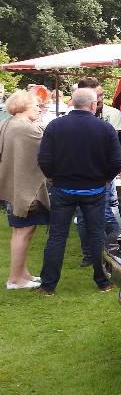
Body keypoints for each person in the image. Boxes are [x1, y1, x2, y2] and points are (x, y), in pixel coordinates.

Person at [37, 87, 121, 295]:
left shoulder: (55, 126)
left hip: (63, 188)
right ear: (93, 105)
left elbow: (44, 159)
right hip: (94, 189)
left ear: (73, 103)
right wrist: (105, 179)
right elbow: (116, 161)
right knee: (96, 236)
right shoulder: (104, 128)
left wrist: (52, 176)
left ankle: (48, 286)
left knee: (57, 237)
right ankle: (102, 281)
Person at [0, 91, 50, 290]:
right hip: (23, 189)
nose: (39, 109)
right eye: (36, 106)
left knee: (21, 231)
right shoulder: (24, 128)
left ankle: (22, 273)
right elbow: (48, 142)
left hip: (13, 187)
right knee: (24, 231)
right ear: (24, 106)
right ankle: (15, 279)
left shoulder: (7, 123)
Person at [74, 77, 121, 267]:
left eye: (102, 93)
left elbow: (118, 145)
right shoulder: (74, 115)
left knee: (107, 211)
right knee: (84, 217)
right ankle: (90, 254)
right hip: (82, 173)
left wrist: (114, 172)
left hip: (104, 174)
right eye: (98, 95)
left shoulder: (113, 113)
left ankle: (117, 250)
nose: (102, 98)